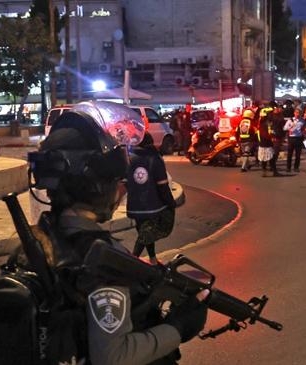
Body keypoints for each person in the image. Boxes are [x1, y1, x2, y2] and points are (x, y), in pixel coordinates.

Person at [28, 100, 208, 364]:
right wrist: (178, 328)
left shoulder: (34, 245)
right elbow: (112, 356)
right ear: (98, 186)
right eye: (117, 182)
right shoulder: (101, 261)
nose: (123, 190)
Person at [126, 132, 176, 265]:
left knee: (144, 232)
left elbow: (124, 181)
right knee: (146, 235)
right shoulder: (154, 158)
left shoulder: (129, 158)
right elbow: (162, 186)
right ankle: (131, 262)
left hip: (135, 204)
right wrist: (170, 203)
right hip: (152, 205)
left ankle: (152, 259)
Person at [257, 105, 281, 177]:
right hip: (266, 143)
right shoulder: (264, 124)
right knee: (270, 158)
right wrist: (272, 136)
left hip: (264, 142)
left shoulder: (265, 123)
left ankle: (269, 171)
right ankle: (273, 172)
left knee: (266, 158)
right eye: (270, 114)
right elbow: (266, 134)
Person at [284, 107, 305, 172]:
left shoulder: (302, 121)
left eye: (299, 113)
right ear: (294, 113)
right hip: (291, 138)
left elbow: (303, 129)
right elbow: (285, 128)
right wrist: (290, 126)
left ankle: (296, 167)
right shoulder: (290, 120)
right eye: (296, 113)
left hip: (299, 138)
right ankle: (288, 167)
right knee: (290, 154)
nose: (297, 114)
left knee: (298, 154)